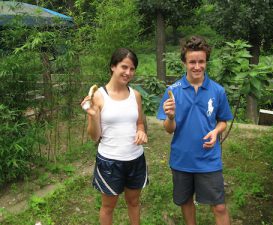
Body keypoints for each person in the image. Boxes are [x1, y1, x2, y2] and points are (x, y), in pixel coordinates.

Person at [157, 36, 232, 225]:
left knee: (219, 206)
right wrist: (171, 117)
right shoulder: (172, 91)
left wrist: (216, 132)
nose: (197, 66)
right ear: (184, 62)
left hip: (209, 159)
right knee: (186, 201)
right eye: (192, 62)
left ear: (206, 62)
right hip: (182, 159)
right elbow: (168, 129)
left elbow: (223, 121)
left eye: (201, 62)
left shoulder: (217, 91)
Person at [81, 48, 148, 225]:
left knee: (134, 202)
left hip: (136, 159)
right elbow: (95, 137)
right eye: (124, 67)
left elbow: (140, 123)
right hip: (110, 162)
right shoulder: (98, 96)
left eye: (132, 69)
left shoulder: (136, 96)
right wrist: (92, 115)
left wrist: (141, 131)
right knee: (108, 207)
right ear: (113, 67)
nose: (128, 73)